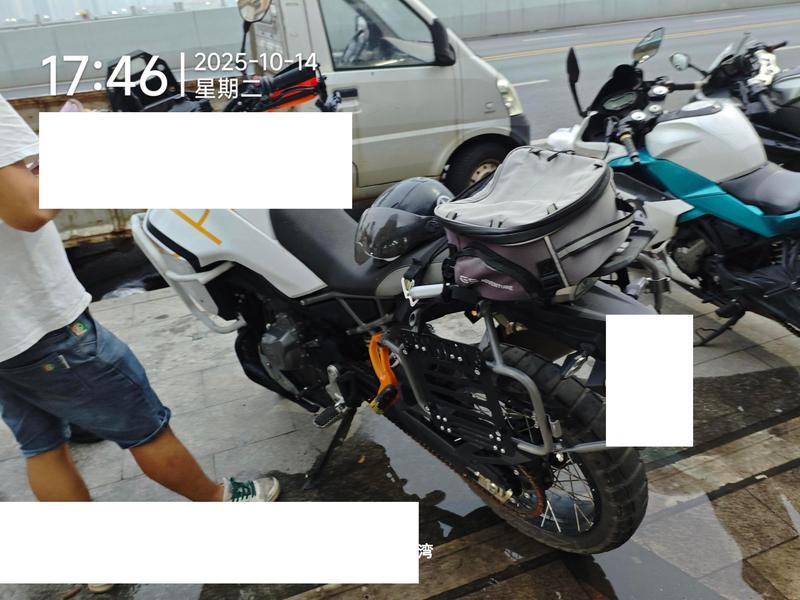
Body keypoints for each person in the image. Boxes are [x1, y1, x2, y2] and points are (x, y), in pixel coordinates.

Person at [0, 93, 279, 503]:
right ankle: (218, 499)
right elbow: (28, 210)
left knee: (42, 445)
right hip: (39, 324)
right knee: (145, 426)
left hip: (8, 339)